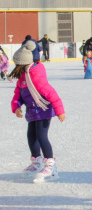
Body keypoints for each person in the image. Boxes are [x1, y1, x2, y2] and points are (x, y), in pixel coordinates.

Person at [10, 41, 66, 182]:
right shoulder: (23, 77)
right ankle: (37, 163)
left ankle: (50, 166)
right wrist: (16, 106)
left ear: (23, 63)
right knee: (31, 136)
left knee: (42, 137)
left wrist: (60, 111)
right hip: (32, 112)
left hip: (44, 110)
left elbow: (51, 93)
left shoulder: (35, 76)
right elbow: (19, 94)